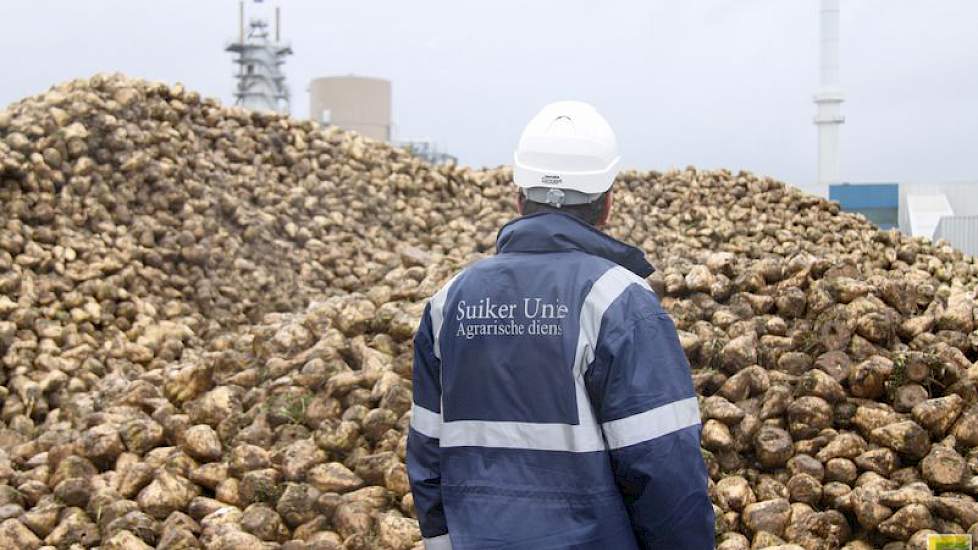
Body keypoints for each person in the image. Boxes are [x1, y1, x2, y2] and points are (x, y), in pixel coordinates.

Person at [407, 101, 715, 549]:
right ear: (607, 204)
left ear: (519, 200)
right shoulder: (619, 303)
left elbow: (427, 456)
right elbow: (664, 466)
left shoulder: (448, 302)